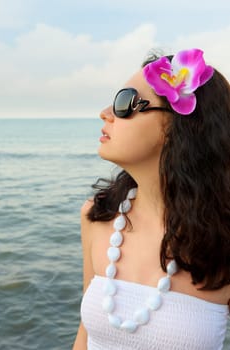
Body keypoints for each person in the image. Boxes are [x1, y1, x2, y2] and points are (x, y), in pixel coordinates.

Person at [73, 48, 230, 349]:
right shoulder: (97, 215)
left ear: (176, 126)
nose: (105, 112)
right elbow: (85, 334)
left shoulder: (223, 236)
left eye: (124, 102)